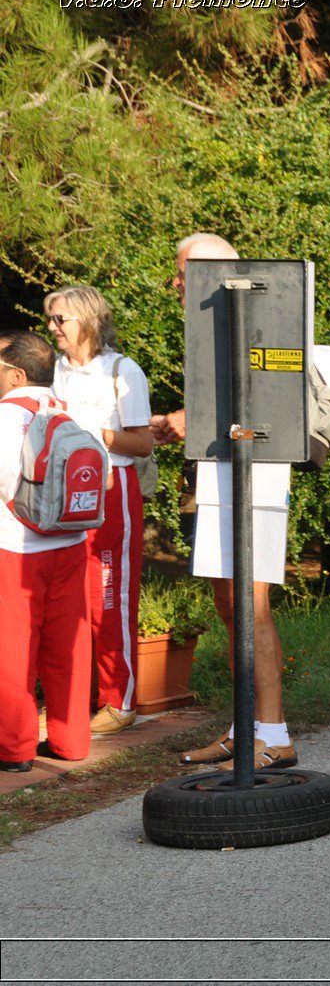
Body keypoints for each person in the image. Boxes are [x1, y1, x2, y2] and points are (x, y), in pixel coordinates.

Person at [150, 234, 297, 772]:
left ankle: (275, 734)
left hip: (253, 476)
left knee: (249, 605)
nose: (175, 283)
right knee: (229, 606)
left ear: (214, 273)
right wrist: (183, 423)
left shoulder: (264, 314)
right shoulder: (210, 328)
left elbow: (273, 396)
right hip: (218, 475)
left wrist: (191, 422)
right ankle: (246, 727)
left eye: (182, 272)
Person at [44, 286, 153, 735]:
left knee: (109, 595)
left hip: (113, 490)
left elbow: (142, 442)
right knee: (68, 594)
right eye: (50, 319)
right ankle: (77, 695)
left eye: (60, 319)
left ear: (87, 321)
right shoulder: (56, 370)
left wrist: (93, 433)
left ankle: (119, 702)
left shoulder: (123, 371)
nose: (52, 328)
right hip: (66, 493)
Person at [0, 332, 93, 771]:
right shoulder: (67, 411)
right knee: (67, 646)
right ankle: (71, 741)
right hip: (71, 542)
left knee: (13, 649)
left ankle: (13, 749)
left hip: (17, 549)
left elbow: (5, 482)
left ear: (16, 374)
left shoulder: (5, 417)